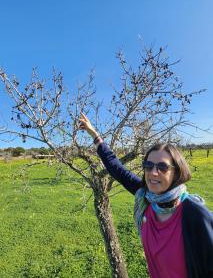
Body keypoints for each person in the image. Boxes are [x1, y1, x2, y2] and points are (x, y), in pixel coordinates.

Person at [79, 112, 213, 278]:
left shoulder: (195, 215)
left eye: (162, 167)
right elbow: (117, 168)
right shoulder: (146, 198)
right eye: (148, 165)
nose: (153, 173)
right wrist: (94, 134)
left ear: (177, 172)